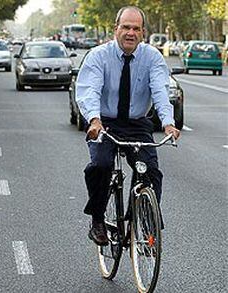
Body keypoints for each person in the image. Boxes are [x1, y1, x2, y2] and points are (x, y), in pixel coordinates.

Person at [75, 6, 180, 246]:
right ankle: (98, 219)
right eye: (126, 27)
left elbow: (161, 92)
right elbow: (89, 90)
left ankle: (141, 225)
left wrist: (168, 123)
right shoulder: (98, 56)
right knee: (101, 165)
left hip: (136, 123)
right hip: (103, 122)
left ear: (143, 32)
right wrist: (94, 119)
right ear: (116, 29)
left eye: (136, 28)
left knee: (150, 172)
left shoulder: (152, 57)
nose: (130, 33)